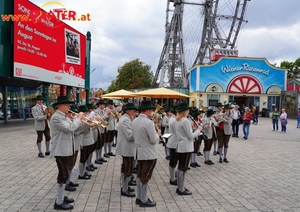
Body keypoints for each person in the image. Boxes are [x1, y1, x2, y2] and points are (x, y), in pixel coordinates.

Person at [50, 95, 84, 210]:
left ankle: (61, 196)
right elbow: (70, 128)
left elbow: (74, 127)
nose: (69, 107)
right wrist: (78, 118)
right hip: (60, 150)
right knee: (63, 175)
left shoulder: (63, 116)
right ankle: (58, 202)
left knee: (65, 173)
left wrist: (79, 120)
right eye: (68, 105)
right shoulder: (56, 117)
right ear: (60, 105)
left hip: (66, 149)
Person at [132, 100, 161, 207]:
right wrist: (158, 134)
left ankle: (139, 198)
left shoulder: (135, 121)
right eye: (151, 110)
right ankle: (144, 200)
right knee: (145, 177)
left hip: (139, 152)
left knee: (140, 175)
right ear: (148, 110)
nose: (152, 112)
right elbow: (153, 140)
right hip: (149, 153)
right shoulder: (148, 123)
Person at [174, 102, 202, 195]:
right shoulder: (185, 120)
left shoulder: (177, 120)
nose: (189, 111)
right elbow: (190, 136)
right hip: (186, 146)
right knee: (183, 168)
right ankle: (181, 189)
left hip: (180, 146)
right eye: (188, 110)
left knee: (180, 167)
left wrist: (190, 127)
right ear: (185, 111)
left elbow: (183, 132)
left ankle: (180, 187)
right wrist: (198, 131)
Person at [115, 103, 138, 198]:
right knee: (127, 168)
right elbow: (129, 136)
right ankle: (124, 189)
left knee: (127, 167)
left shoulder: (127, 119)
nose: (135, 112)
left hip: (128, 147)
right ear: (129, 111)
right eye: (133, 110)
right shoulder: (125, 120)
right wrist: (139, 133)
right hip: (127, 147)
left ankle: (126, 186)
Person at [166, 106, 178, 185]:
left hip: (173, 142)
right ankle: (172, 178)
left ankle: (173, 177)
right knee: (173, 162)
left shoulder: (173, 118)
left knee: (173, 161)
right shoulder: (174, 120)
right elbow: (179, 132)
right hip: (175, 143)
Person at [94, 100, 108, 164]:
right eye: (103, 105)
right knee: (98, 145)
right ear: (100, 105)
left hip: (103, 129)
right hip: (99, 129)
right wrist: (106, 115)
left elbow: (105, 119)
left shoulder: (103, 111)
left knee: (102, 144)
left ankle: (100, 157)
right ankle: (97, 158)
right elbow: (99, 119)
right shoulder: (96, 112)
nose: (104, 106)